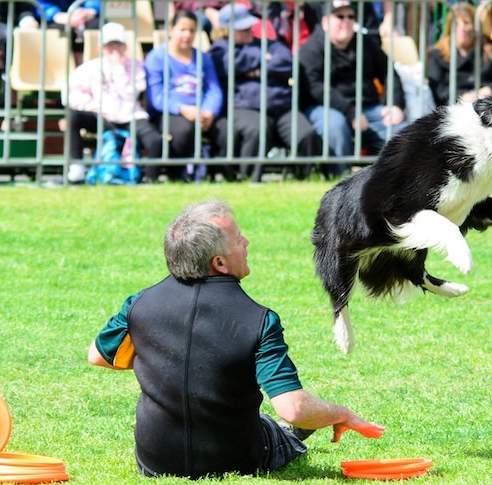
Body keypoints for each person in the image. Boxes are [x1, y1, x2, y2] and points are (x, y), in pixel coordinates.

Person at [88, 199, 385, 479]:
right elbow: (293, 408)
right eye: (239, 239)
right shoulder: (258, 319)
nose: (246, 243)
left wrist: (165, 362)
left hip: (155, 460)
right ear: (219, 262)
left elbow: (98, 356)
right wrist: (341, 413)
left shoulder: (138, 304)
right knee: (280, 431)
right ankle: (289, 434)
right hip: (237, 459)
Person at [209, 3, 322, 182]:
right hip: (245, 107)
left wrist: (250, 68)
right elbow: (228, 64)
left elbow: (287, 62)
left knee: (305, 134)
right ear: (225, 30)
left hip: (280, 107)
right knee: (257, 129)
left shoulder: (268, 43)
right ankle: (249, 180)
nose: (248, 31)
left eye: (249, 27)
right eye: (242, 29)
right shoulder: (219, 49)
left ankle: (305, 178)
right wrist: (263, 58)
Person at [298, 0, 408, 178]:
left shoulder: (365, 42)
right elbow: (315, 88)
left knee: (402, 132)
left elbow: (389, 72)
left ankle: (399, 182)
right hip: (327, 107)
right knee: (335, 126)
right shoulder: (311, 48)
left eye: (351, 16)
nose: (346, 21)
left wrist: (394, 104)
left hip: (369, 109)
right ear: (325, 22)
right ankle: (340, 180)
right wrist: (350, 112)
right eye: (339, 16)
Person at [64, 22, 162, 182]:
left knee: (154, 140)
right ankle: (77, 168)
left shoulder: (136, 67)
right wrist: (92, 106)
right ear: (101, 47)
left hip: (131, 117)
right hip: (103, 118)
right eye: (110, 45)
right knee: (73, 117)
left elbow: (130, 93)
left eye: (118, 45)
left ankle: (149, 179)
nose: (114, 49)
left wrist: (118, 68)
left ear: (125, 46)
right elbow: (70, 94)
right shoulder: (89, 68)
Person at [144, 9, 225, 182]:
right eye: (182, 30)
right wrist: (182, 109)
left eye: (191, 30)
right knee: (184, 130)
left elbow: (214, 89)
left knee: (225, 129)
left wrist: (209, 111)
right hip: (169, 112)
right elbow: (156, 96)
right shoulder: (156, 58)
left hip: (202, 112)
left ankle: (226, 175)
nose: (187, 35)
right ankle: (177, 175)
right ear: (171, 30)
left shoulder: (203, 58)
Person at [425, 2, 492, 107]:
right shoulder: (438, 53)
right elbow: (438, 89)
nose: (462, 28)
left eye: (466, 22)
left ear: (475, 25)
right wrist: (462, 96)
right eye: (456, 24)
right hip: (453, 108)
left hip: (489, 105)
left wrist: (489, 89)